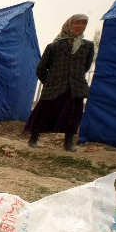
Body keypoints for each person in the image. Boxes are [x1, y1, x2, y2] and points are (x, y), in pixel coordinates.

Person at [25, 14, 94, 152]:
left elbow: (86, 66)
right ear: (69, 25)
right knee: (44, 113)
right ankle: (33, 139)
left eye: (83, 23)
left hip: (75, 87)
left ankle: (68, 143)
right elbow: (41, 69)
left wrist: (73, 77)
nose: (80, 26)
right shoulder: (54, 46)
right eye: (77, 23)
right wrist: (49, 82)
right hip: (54, 87)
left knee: (73, 115)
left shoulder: (88, 46)